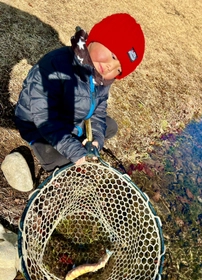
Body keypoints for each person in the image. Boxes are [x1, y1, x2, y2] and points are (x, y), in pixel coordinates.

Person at [1, 13, 145, 192]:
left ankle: (76, 140)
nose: (111, 67)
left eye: (119, 69)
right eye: (114, 56)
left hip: (71, 120)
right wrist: (73, 149)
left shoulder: (102, 79)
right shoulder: (55, 65)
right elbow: (45, 118)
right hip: (38, 123)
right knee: (60, 158)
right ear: (97, 38)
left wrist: (97, 139)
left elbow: (99, 111)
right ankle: (46, 150)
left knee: (110, 126)